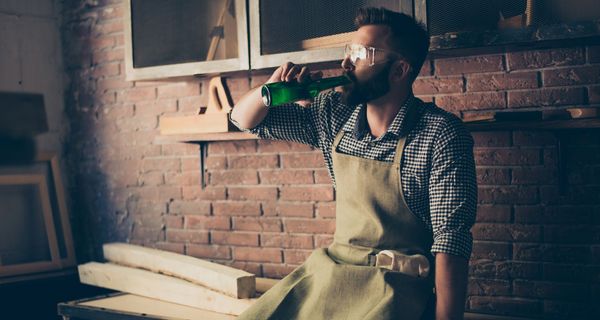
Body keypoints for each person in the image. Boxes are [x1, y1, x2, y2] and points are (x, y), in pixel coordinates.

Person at [230, 7, 477, 320]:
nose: (346, 63)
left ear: (399, 70)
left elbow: (450, 243)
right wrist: (270, 92)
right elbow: (243, 120)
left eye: (361, 53)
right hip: (332, 272)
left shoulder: (441, 135)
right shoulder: (333, 114)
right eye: (349, 50)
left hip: (395, 287)